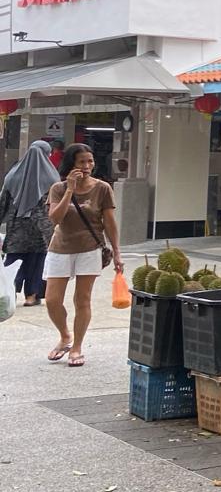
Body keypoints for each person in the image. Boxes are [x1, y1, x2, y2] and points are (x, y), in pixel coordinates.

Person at [43, 143, 121, 367]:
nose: (87, 166)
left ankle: (77, 346)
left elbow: (110, 223)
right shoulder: (58, 188)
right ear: (71, 164)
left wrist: (117, 253)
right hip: (60, 248)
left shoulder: (103, 188)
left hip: (90, 248)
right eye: (81, 162)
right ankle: (65, 336)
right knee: (52, 300)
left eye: (90, 161)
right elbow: (55, 218)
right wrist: (70, 189)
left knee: (82, 299)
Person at [0, 140, 59, 306]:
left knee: (13, 260)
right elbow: (57, 204)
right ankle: (31, 296)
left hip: (16, 227)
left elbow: (3, 202)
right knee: (37, 261)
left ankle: (8, 293)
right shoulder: (52, 177)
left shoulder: (12, 175)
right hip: (41, 228)